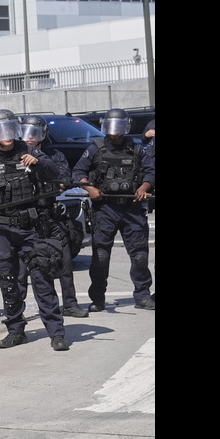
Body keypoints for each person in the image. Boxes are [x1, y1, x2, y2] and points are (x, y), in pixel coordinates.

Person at [0, 109, 70, 351]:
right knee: (9, 283)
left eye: (9, 130)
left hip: (32, 228)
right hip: (1, 230)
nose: (6, 136)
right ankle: (16, 331)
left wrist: (40, 161)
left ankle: (56, 332)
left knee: (42, 280)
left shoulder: (30, 151)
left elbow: (55, 174)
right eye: (1, 131)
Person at [72, 108, 155, 312]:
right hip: (105, 209)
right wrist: (90, 188)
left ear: (125, 127)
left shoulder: (136, 149)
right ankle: (98, 298)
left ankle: (142, 295)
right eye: (111, 126)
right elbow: (78, 172)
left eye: (118, 126)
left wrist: (144, 187)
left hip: (132, 208)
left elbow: (151, 171)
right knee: (101, 256)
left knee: (140, 255)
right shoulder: (95, 148)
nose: (114, 131)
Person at [21, 115, 88, 318]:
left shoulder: (54, 155)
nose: (30, 137)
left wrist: (42, 165)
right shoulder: (14, 155)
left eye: (35, 133)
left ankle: (70, 303)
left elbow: (63, 179)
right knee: (22, 270)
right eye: (27, 132)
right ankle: (17, 311)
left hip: (51, 214)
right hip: (26, 218)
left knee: (64, 261)